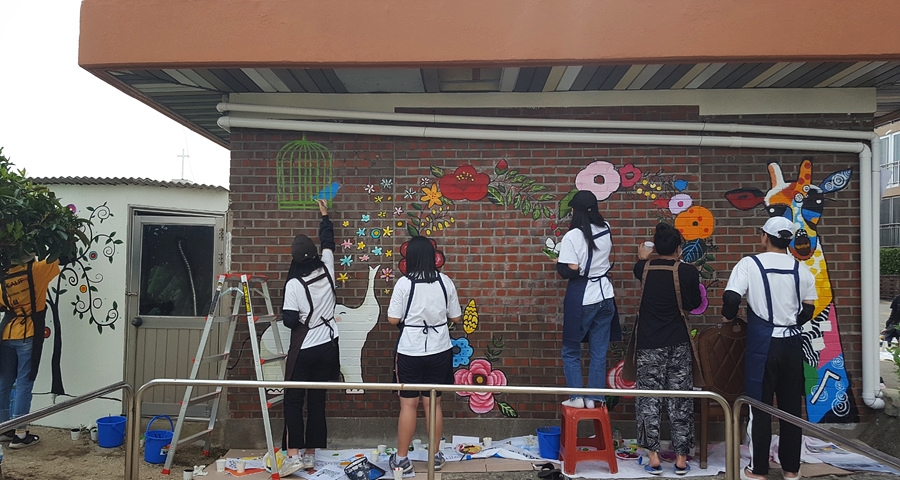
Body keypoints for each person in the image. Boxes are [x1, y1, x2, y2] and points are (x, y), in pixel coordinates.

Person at [721, 217, 817, 480]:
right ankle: (791, 469)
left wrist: (727, 318)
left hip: (763, 345)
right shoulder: (802, 270)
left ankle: (758, 470)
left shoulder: (749, 264)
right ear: (789, 241)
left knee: (759, 407)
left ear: (764, 237)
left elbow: (731, 297)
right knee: (791, 408)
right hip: (793, 344)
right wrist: (790, 322)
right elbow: (808, 310)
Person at [387, 236, 462, 474]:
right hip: (440, 348)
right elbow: (456, 317)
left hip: (410, 349)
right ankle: (435, 456)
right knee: (434, 403)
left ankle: (401, 459)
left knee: (408, 405)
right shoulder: (445, 281)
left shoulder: (403, 284)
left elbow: (393, 319)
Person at [632, 223, 702, 476]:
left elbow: (644, 264)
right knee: (680, 399)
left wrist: (643, 256)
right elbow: (693, 304)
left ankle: (653, 457)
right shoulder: (688, 272)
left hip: (649, 344)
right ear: (679, 248)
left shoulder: (642, 268)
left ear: (656, 247)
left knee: (648, 400)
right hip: (678, 343)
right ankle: (681, 459)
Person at [278, 199, 340, 476]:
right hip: (329, 345)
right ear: (314, 255)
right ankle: (311, 456)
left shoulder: (294, 284)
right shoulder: (327, 268)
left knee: (293, 400)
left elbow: (290, 320)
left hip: (305, 349)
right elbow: (329, 243)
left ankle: (293, 456)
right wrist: (325, 215)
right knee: (317, 401)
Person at [556, 190, 621, 408]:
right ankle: (595, 398)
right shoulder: (606, 228)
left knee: (571, 351)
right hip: (606, 295)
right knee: (599, 353)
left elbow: (572, 269)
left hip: (584, 296)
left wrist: (560, 264)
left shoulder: (573, 236)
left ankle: (576, 398)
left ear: (575, 211)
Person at [0, 257, 60, 448]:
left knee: (4, 381)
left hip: (6, 333)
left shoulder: (3, 275)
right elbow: (59, 256)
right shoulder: (36, 270)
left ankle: (4, 428)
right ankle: (20, 434)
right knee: (25, 382)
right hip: (28, 333)